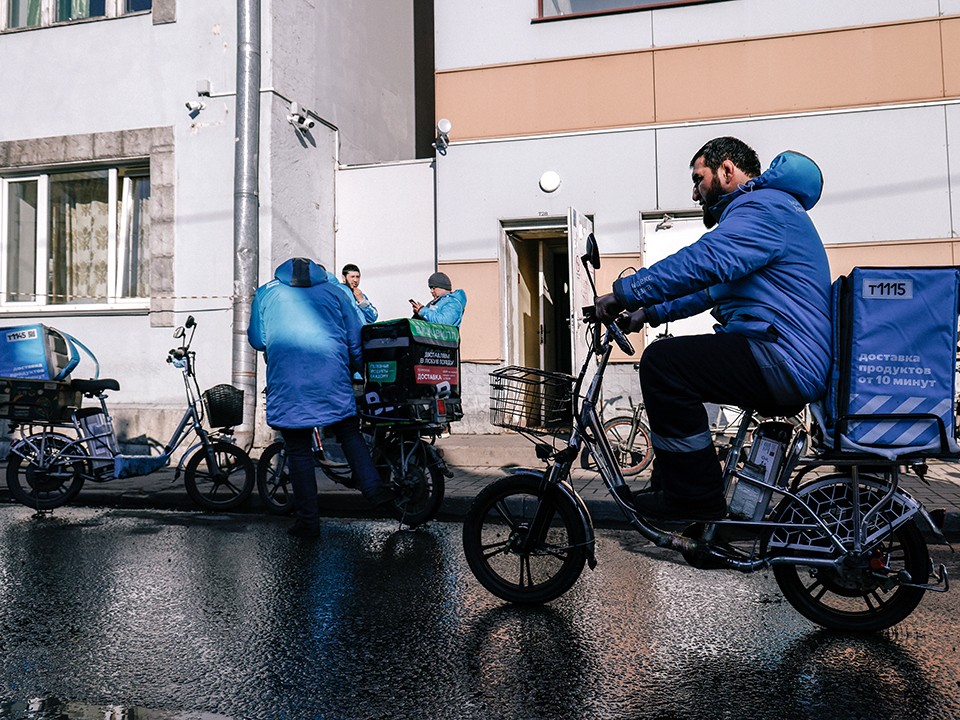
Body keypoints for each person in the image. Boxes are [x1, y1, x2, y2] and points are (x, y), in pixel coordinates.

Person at [595, 136, 832, 521]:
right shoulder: (767, 209)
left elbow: (706, 262)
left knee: (664, 365)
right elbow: (710, 288)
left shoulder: (763, 207)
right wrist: (646, 312)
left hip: (783, 356)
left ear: (726, 170)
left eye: (698, 178)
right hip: (779, 351)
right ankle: (678, 491)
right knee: (681, 367)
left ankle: (693, 502)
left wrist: (625, 292)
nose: (694, 193)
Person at [248, 257, 395, 538]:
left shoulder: (267, 292)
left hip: (289, 382)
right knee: (349, 432)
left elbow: (258, 339)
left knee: (299, 451)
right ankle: (374, 488)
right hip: (332, 375)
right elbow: (355, 335)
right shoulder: (335, 292)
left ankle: (308, 522)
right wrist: (358, 367)